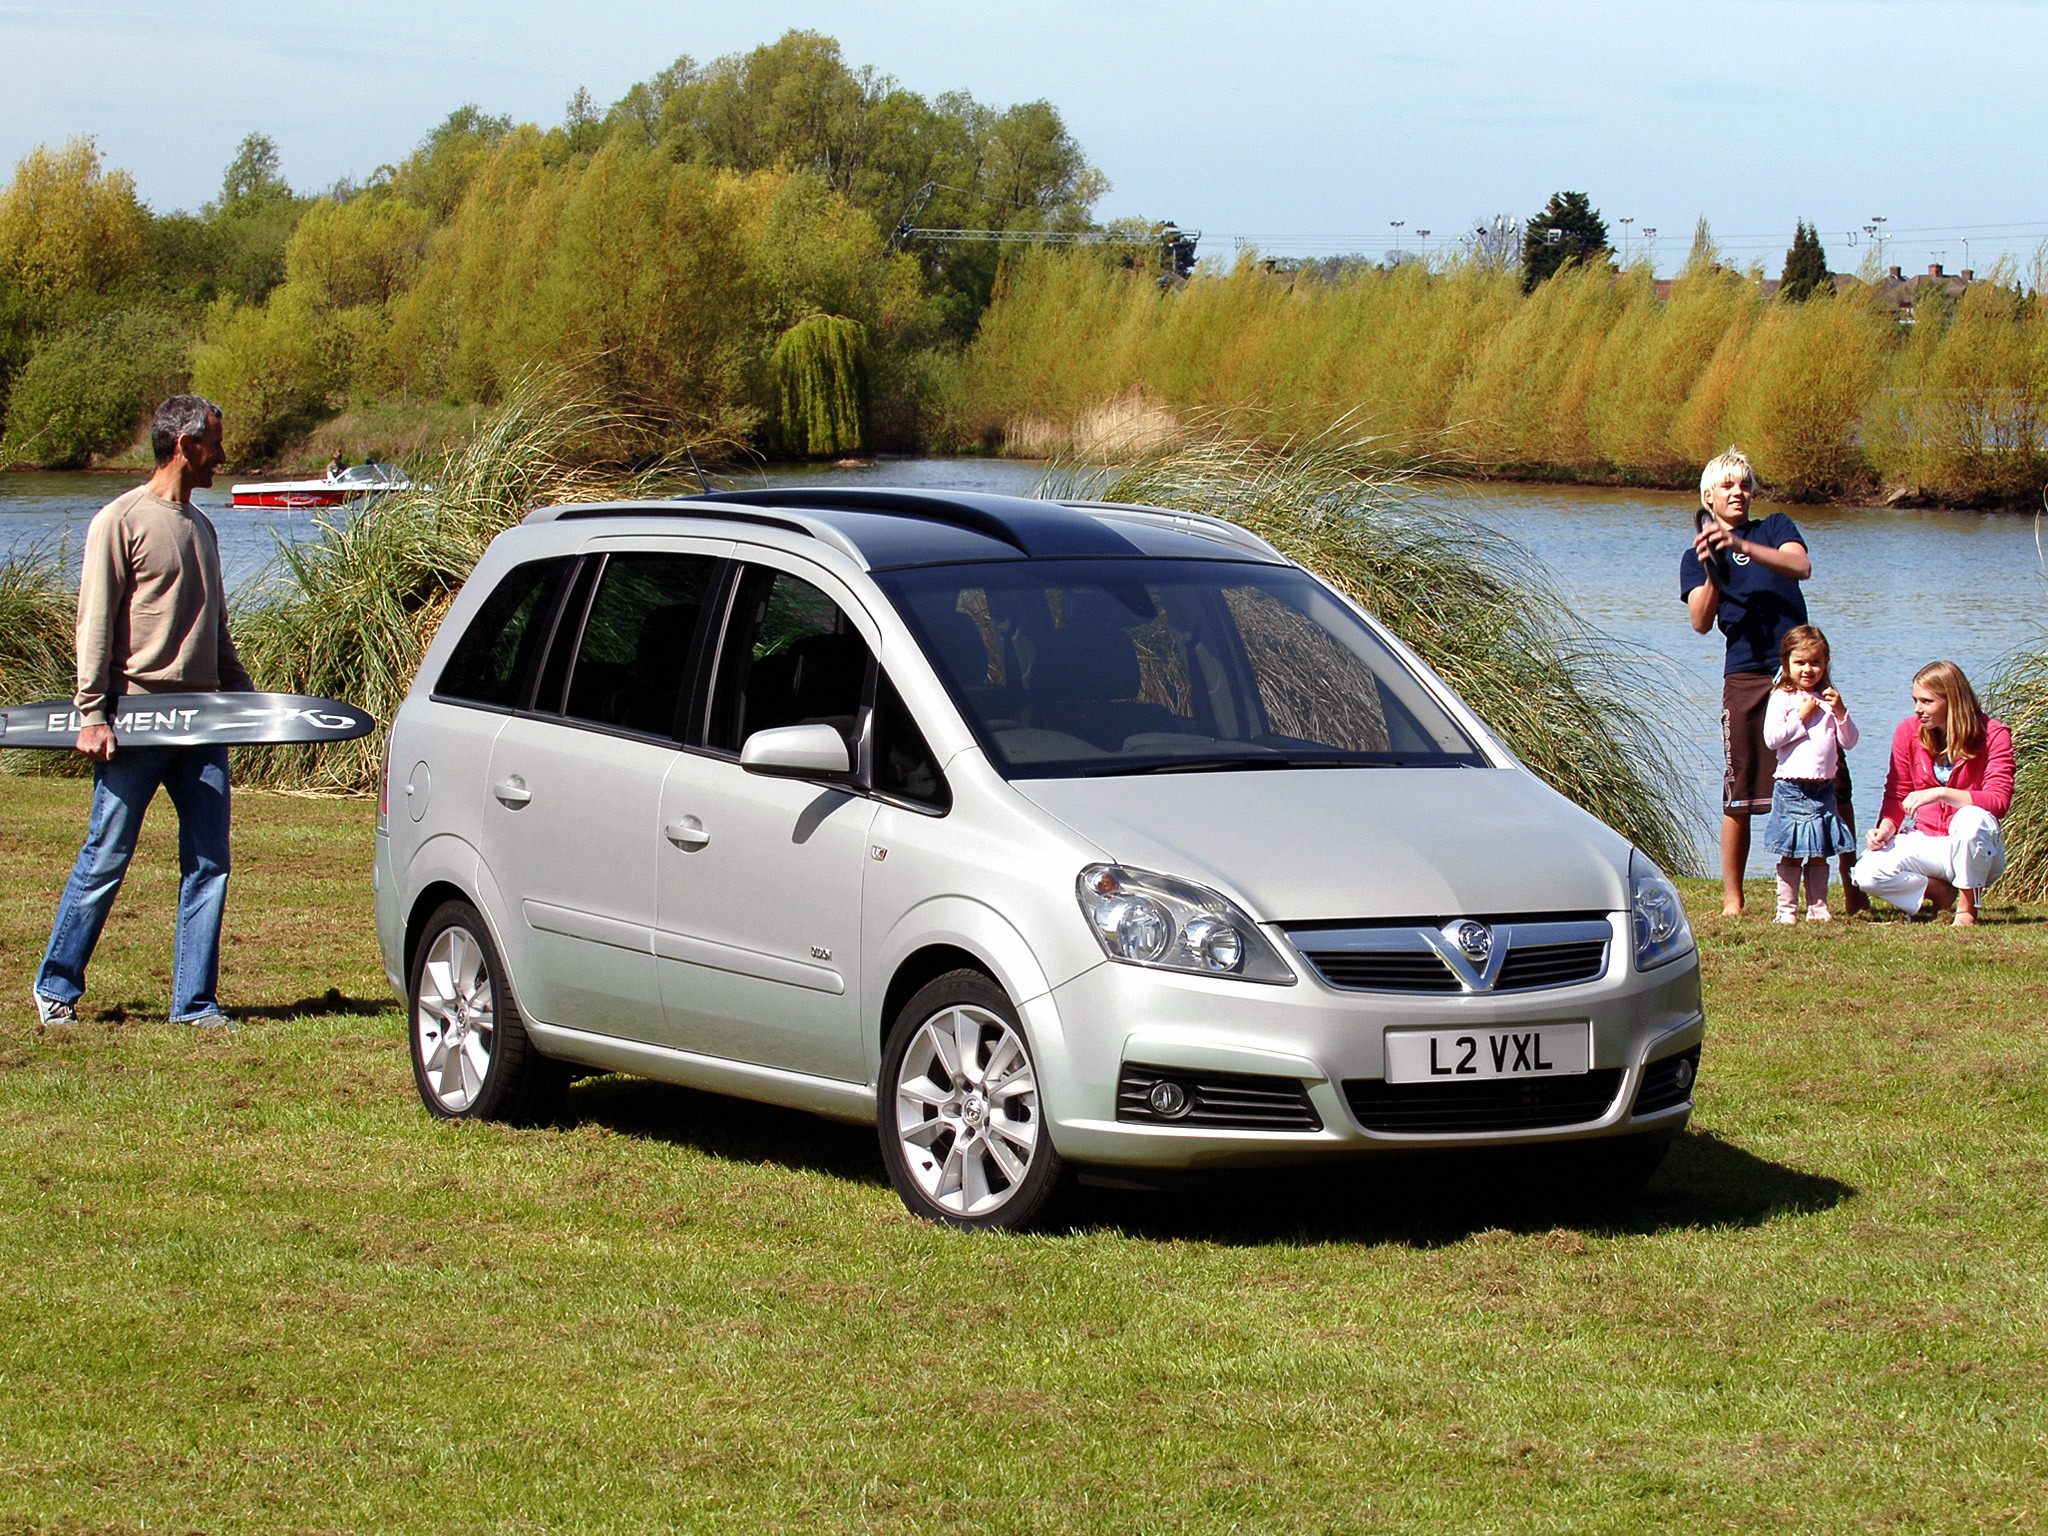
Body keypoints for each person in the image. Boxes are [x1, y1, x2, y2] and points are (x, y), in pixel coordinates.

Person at [31, 395, 254, 1027]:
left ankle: (195, 1003)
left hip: (204, 723)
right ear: (184, 445)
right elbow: (95, 625)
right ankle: (56, 987)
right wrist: (92, 713)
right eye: (214, 442)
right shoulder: (120, 520)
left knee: (210, 862)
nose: (222, 454)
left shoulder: (203, 527)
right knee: (106, 855)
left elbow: (217, 636)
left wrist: (256, 709)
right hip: (135, 720)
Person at [1680, 447, 1866, 917]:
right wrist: (1713, 569)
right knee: (1739, 786)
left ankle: (1853, 887)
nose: (1738, 492)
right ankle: (1732, 898)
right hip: (1743, 673)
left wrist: (1740, 546)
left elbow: (1800, 567)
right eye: (1727, 486)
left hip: (1800, 672)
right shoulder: (1695, 555)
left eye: (1744, 485)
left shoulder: (1775, 528)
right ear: (1709, 496)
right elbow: (1701, 622)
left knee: (1833, 780)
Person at [1851, 661, 2014, 926]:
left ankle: (1966, 908)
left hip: (1977, 847)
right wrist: (1886, 828)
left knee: (1971, 818)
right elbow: (1897, 793)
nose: (1918, 709)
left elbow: (1998, 802)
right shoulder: (1908, 731)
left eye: (1927, 701)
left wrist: (1940, 793)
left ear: (1952, 702)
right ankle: (1940, 892)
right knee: (1867, 874)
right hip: (1927, 840)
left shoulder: (1994, 734)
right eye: (1915, 700)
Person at [1760, 626, 1859, 922]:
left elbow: (1850, 741)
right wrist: (1800, 718)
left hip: (1824, 788)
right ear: (1786, 663)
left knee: (1819, 850)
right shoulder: (1782, 697)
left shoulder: (1829, 699)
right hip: (1791, 787)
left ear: (1826, 662)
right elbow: (1772, 739)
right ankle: (1786, 909)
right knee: (1791, 849)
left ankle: (1818, 908)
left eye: (1815, 662)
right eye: (1800, 662)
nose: (1808, 669)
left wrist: (1840, 711)